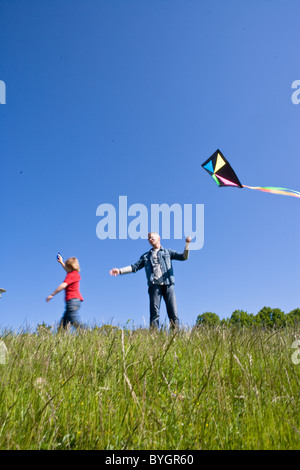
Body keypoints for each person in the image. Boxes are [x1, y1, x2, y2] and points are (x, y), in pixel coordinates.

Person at [110, 233, 191, 329]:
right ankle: (155, 338)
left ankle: (176, 337)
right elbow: (134, 267)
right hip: (154, 287)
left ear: (159, 238)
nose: (150, 239)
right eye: (149, 238)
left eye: (152, 237)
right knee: (154, 315)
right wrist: (120, 271)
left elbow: (184, 257)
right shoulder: (146, 256)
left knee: (173, 314)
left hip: (169, 285)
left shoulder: (168, 252)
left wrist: (187, 244)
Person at [46, 255, 84, 329]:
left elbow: (63, 285)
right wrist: (61, 262)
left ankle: (85, 332)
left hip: (73, 301)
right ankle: (60, 336)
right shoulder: (75, 274)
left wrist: (52, 294)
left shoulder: (71, 275)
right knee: (63, 323)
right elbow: (67, 269)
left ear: (70, 267)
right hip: (74, 301)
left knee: (74, 319)